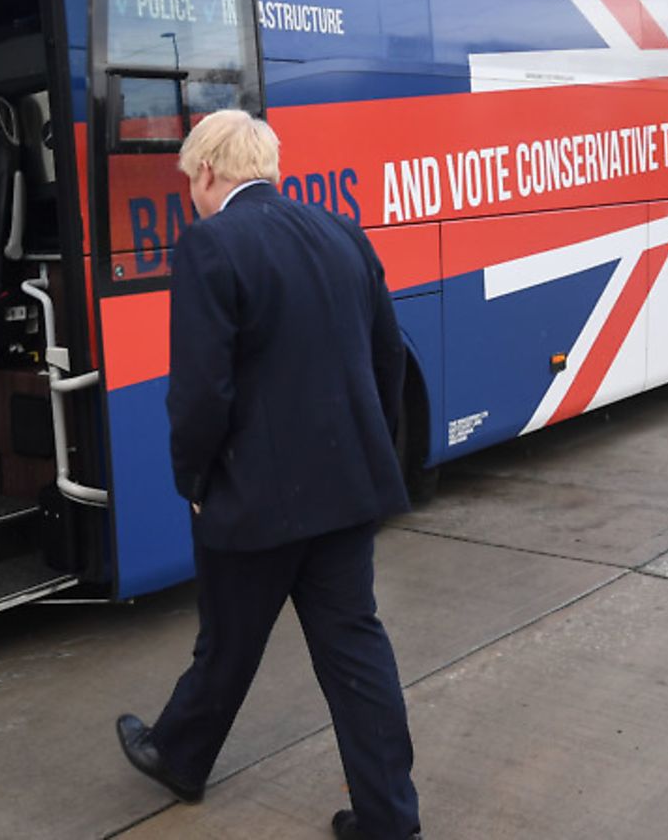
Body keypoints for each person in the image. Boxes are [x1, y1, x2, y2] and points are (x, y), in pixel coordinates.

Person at [115, 110, 422, 839]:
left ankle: (179, 756)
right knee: (355, 652)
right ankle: (388, 820)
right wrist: (366, 452)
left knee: (226, 640)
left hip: (254, 500)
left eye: (191, 178)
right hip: (347, 491)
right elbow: (387, 359)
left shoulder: (211, 244)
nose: (191, 192)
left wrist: (193, 481)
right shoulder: (342, 232)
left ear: (211, 171)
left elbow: (200, 393)